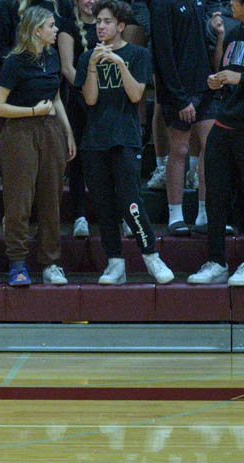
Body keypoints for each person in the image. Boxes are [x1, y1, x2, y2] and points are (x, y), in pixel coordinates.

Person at [77, 0, 176, 284]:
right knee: (104, 205)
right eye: (98, 22)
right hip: (95, 140)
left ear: (120, 25)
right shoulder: (87, 58)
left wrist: (119, 63)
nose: (101, 27)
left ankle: (151, 256)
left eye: (107, 21)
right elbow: (90, 99)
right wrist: (94, 66)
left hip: (125, 137)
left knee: (130, 201)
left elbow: (135, 96)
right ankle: (115, 263)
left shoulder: (138, 54)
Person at [0, 5, 77, 286]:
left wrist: (68, 133)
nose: (56, 30)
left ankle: (51, 263)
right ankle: (17, 264)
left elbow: (57, 99)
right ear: (37, 29)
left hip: (51, 129)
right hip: (20, 132)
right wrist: (31, 112)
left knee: (51, 199)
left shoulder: (52, 58)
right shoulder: (14, 61)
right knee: (19, 201)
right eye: (51, 26)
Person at [151, 0, 217, 235]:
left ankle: (204, 213)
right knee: (178, 150)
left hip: (204, 84)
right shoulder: (161, 5)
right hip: (178, 90)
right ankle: (175, 214)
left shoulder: (198, 2)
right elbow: (162, 53)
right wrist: (179, 98)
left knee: (210, 148)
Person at [196, 0, 244, 283]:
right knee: (215, 196)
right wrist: (220, 80)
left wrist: (239, 79)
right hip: (224, 122)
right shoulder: (235, 32)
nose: (229, 4)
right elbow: (229, 70)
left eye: (235, 1)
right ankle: (216, 261)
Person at [57, 0, 96, 237]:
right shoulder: (68, 27)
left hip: (107, 103)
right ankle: (79, 215)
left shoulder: (108, 26)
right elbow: (67, 68)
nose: (90, 1)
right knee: (78, 159)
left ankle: (116, 213)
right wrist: (88, 92)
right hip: (79, 100)